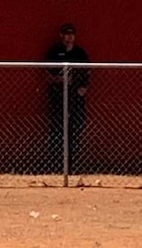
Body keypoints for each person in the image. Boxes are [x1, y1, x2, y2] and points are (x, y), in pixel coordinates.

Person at [44, 23, 90, 174]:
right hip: (58, 97)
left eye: (72, 34)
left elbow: (87, 73)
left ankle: (72, 167)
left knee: (75, 131)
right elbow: (47, 75)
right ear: (61, 35)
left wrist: (82, 89)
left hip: (75, 98)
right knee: (57, 131)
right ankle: (56, 166)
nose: (70, 37)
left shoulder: (80, 53)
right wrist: (60, 80)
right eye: (66, 34)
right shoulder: (54, 52)